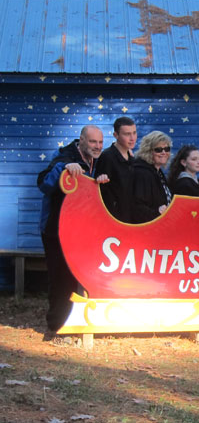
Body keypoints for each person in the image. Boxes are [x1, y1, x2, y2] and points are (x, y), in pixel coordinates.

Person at [37, 125, 109, 334]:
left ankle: (79, 322)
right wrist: (64, 168)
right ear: (81, 140)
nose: (97, 146)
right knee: (61, 278)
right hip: (56, 229)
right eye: (93, 142)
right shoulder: (63, 156)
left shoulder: (99, 161)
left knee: (83, 276)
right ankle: (57, 326)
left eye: (100, 142)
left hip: (83, 230)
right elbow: (43, 183)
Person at [96, 117, 137, 222]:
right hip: (114, 220)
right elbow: (101, 193)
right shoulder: (107, 157)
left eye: (134, 133)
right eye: (127, 134)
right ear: (116, 135)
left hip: (131, 218)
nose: (132, 138)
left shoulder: (132, 159)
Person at [132, 131, 173, 223]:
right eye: (158, 149)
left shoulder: (158, 172)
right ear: (148, 151)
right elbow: (136, 207)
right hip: (149, 228)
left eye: (167, 149)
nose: (164, 152)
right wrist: (157, 212)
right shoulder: (142, 173)